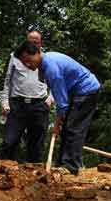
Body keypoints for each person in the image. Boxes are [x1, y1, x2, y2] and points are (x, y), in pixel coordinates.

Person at [15, 42, 100, 174]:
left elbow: (62, 103)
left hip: (86, 91)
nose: (27, 65)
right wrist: (60, 124)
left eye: (28, 60)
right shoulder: (45, 63)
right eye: (23, 62)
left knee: (73, 128)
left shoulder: (51, 68)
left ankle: (71, 166)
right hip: (77, 92)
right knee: (68, 128)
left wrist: (56, 124)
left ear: (37, 53)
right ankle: (63, 163)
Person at [0, 29, 53, 163]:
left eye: (36, 41)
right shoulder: (14, 57)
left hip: (39, 105)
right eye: (31, 41)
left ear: (41, 43)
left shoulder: (46, 59)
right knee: (10, 141)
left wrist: (51, 98)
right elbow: (5, 80)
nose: (33, 44)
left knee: (36, 144)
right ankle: (2, 170)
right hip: (17, 104)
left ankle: (35, 175)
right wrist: (4, 102)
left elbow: (55, 81)